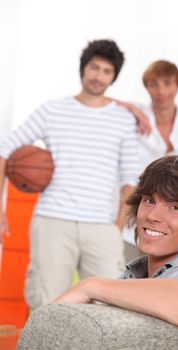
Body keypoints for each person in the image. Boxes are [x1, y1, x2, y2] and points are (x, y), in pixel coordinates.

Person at [0, 39, 140, 310]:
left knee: (108, 310)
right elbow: (5, 149)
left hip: (102, 226)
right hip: (53, 220)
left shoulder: (123, 119)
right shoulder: (52, 110)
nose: (99, 76)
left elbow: (130, 178)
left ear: (113, 77)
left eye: (107, 71)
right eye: (94, 67)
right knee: (47, 307)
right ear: (83, 68)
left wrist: (117, 226)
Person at [54, 155, 178, 331]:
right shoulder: (135, 275)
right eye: (149, 201)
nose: (152, 216)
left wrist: (90, 286)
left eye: (175, 207)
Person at [121, 59, 178, 248]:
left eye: (167, 83)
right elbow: (99, 100)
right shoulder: (132, 117)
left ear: (177, 86)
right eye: (154, 84)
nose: (161, 91)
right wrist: (133, 109)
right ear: (147, 88)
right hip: (134, 212)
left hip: (173, 217)